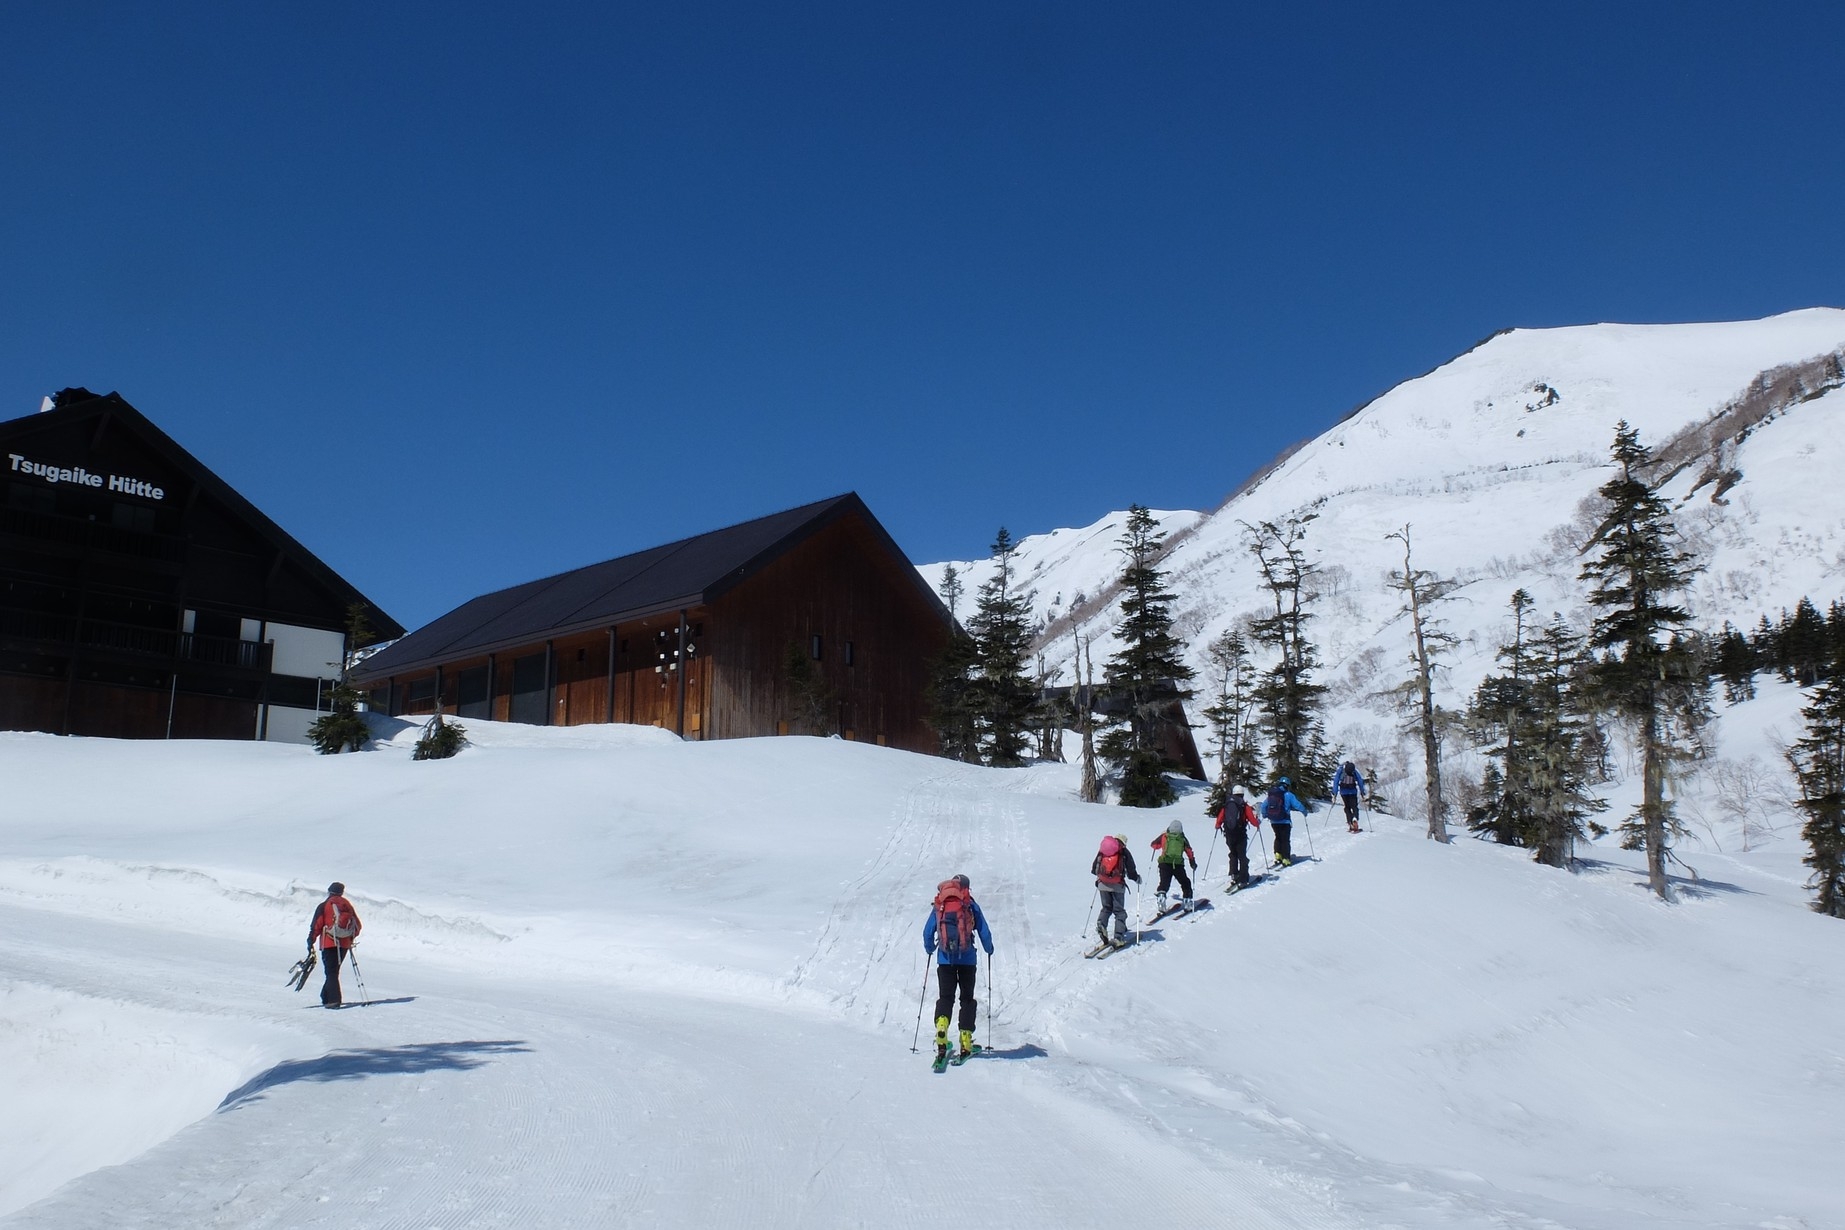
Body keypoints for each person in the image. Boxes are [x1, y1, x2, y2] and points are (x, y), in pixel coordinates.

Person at [922, 874, 993, 1061]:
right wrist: (989, 948)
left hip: (945, 961)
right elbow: (984, 930)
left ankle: (942, 1030)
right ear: (966, 888)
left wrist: (930, 948)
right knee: (967, 999)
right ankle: (966, 1040)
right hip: (968, 961)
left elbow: (928, 931)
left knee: (946, 997)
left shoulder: (940, 905)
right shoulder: (970, 905)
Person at [307, 881, 363, 1007]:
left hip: (329, 942)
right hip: (344, 945)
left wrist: (311, 940)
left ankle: (333, 1000)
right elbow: (357, 926)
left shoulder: (325, 905)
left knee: (331, 972)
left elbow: (317, 924)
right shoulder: (347, 905)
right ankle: (325, 997)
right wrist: (348, 938)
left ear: (329, 891)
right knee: (333, 971)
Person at [1090, 834, 1141, 946]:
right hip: (1117, 885)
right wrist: (1136, 878)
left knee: (1106, 907)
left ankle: (1101, 924)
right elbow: (1131, 869)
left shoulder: (1103, 850)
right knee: (1119, 912)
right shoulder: (1123, 851)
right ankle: (1118, 937)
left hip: (1102, 884)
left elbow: (1094, 869)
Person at [1148, 818, 1197, 914]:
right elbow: (1189, 851)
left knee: (1164, 883)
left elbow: (1153, 845)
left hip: (1164, 863)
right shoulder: (1182, 838)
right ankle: (1187, 900)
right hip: (1178, 865)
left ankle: (1161, 896)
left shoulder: (1165, 836)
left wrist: (1162, 837)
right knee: (1185, 882)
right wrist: (1192, 862)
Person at [1216, 787, 1259, 887]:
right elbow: (1252, 819)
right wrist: (1257, 824)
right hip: (1240, 834)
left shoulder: (1227, 804)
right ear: (1242, 794)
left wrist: (1218, 825)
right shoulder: (1244, 806)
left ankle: (1234, 874)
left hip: (1229, 834)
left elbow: (1220, 817)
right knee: (1242, 856)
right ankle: (1243, 879)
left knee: (1233, 854)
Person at [1263, 778, 1309, 867]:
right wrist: (1304, 811)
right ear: (1287, 785)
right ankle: (1286, 858)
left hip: (1274, 821)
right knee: (1285, 840)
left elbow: (1264, 805)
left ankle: (1278, 854)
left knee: (1278, 837)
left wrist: (1265, 815)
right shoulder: (1289, 795)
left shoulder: (1272, 795)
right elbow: (1297, 805)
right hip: (1285, 821)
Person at [1333, 760, 1368, 833]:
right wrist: (1362, 792)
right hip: (1353, 791)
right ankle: (1355, 818)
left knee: (1347, 807)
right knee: (1354, 806)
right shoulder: (1354, 770)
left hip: (1343, 792)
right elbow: (1360, 781)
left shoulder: (1341, 770)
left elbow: (1336, 781)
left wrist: (1335, 794)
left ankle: (1350, 822)